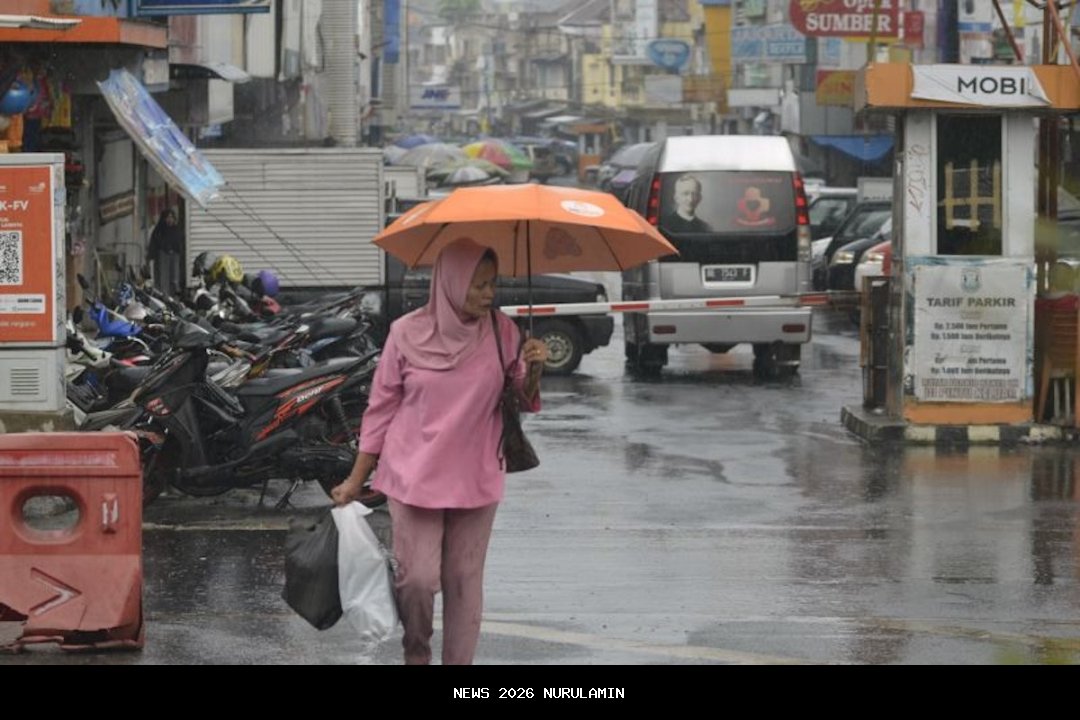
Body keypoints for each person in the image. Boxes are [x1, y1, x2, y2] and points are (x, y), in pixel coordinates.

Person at [332, 237, 549, 665]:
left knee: (464, 581)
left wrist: (534, 368)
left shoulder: (503, 332)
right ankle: (417, 654)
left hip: (477, 477)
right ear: (450, 282)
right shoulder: (404, 332)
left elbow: (523, 398)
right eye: (479, 284)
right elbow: (380, 410)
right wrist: (356, 480)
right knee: (417, 581)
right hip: (413, 477)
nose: (489, 294)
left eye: (493, 284)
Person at [148, 208, 184, 294]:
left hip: (174, 256)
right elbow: (156, 242)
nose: (170, 219)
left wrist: (176, 250)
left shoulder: (176, 229)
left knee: (174, 277)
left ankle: (173, 295)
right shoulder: (159, 230)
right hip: (162, 255)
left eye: (172, 217)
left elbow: (179, 241)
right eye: (168, 217)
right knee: (163, 277)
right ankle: (163, 294)